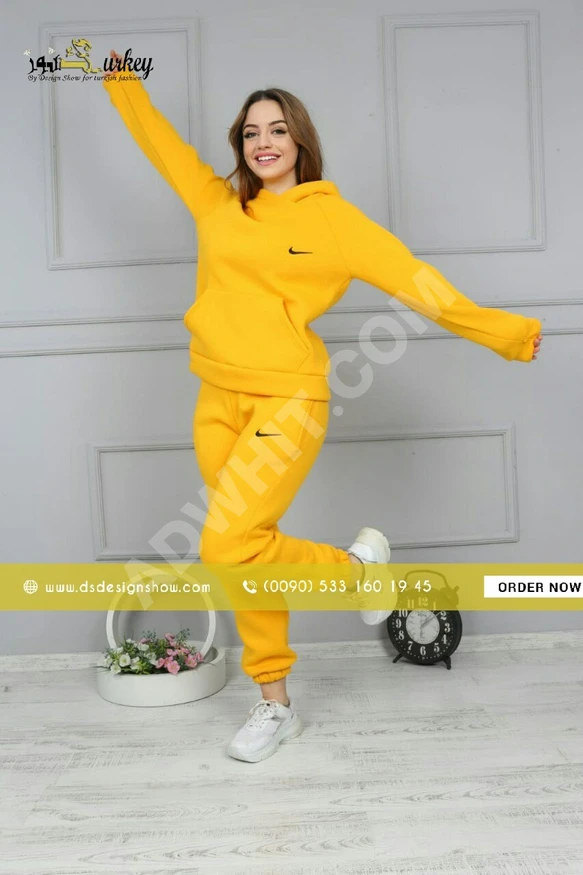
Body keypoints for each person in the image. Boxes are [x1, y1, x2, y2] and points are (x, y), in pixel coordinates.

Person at [102, 50, 543, 763]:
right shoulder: (218, 203)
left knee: (224, 545)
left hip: (288, 397)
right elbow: (159, 141)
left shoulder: (332, 219)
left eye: (277, 129)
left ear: (300, 139)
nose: (264, 142)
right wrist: (118, 76)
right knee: (245, 554)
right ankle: (275, 703)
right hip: (215, 396)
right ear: (240, 144)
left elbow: (415, 281)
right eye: (251, 132)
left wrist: (506, 334)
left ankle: (353, 573)